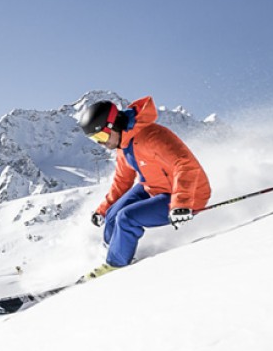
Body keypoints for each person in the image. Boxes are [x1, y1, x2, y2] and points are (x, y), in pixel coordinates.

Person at [76, 96, 211, 280]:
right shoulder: (123, 144)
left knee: (126, 218)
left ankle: (116, 266)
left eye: (102, 136)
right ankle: (112, 253)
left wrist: (181, 203)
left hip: (188, 195)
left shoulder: (152, 137)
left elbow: (185, 164)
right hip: (153, 187)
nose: (102, 144)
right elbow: (122, 180)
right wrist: (102, 210)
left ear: (114, 124)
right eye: (95, 140)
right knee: (112, 216)